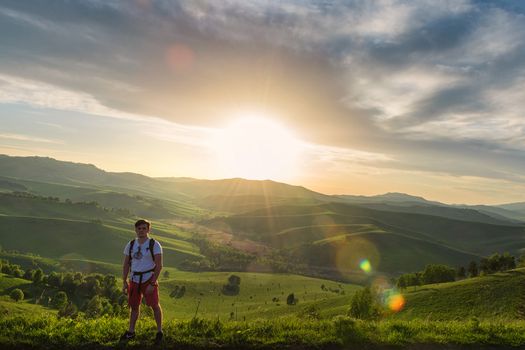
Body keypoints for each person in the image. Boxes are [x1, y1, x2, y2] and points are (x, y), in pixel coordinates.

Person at [120, 219, 164, 345]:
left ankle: (159, 331)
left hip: (148, 279)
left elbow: (159, 265)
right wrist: (124, 282)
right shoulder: (131, 244)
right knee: (134, 307)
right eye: (139, 228)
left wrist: (152, 283)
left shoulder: (154, 244)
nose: (141, 230)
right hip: (134, 279)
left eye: (144, 228)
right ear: (135, 230)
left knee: (155, 305)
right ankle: (131, 331)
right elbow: (125, 265)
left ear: (148, 230)